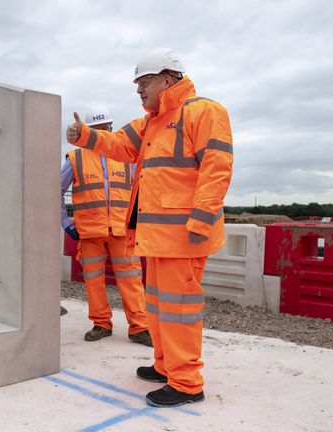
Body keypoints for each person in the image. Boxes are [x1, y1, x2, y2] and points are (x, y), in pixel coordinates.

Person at [66, 48, 233, 407]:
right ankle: (165, 365)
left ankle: (187, 383)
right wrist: (84, 136)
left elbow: (217, 168)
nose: (139, 90)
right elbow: (120, 145)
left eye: (145, 82)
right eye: (137, 84)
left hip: (184, 237)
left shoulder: (203, 111)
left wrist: (202, 221)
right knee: (159, 307)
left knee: (179, 310)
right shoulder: (152, 121)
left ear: (169, 78)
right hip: (157, 238)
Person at [61, 105, 152, 347]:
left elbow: (140, 191)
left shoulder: (126, 157)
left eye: (107, 128)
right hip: (89, 232)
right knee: (94, 280)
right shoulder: (76, 158)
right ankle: (101, 323)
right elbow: (55, 191)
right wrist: (65, 223)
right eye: (98, 129)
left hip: (122, 230)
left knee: (132, 279)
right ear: (88, 131)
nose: (103, 133)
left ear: (112, 128)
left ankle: (140, 327)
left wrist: (138, 222)